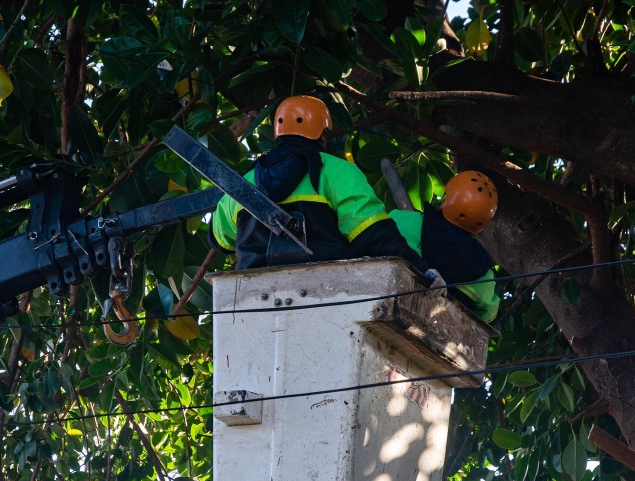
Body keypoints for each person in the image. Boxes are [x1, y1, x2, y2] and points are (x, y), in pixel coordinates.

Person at [210, 96, 445, 293]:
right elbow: (373, 234)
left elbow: (220, 239)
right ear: (322, 134)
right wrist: (420, 269)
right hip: (326, 293)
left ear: (277, 133)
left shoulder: (243, 184)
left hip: (253, 296)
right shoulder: (336, 172)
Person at [388, 171, 500, 322]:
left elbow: (373, 238)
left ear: (446, 199)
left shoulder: (404, 219)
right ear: (482, 224)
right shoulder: (484, 273)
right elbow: (488, 314)